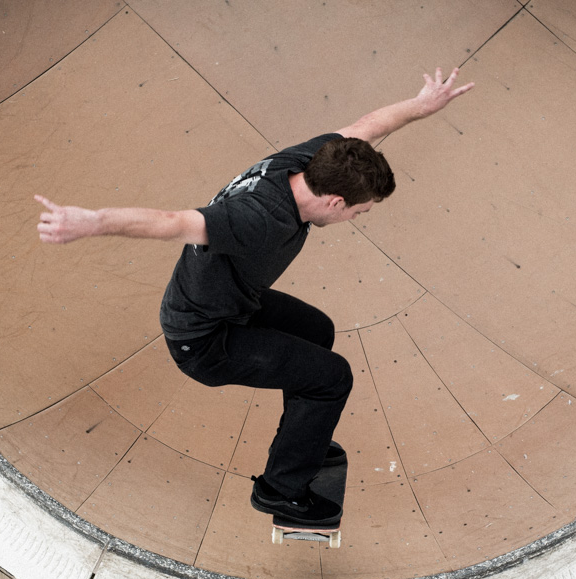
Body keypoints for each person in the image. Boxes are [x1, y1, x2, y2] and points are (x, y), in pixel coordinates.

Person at [36, 68, 474, 528]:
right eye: (360, 213)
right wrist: (93, 222)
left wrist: (419, 107)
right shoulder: (260, 219)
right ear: (335, 203)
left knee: (317, 332)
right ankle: (281, 492)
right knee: (332, 378)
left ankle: (302, 440)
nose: (358, 220)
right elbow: (171, 221)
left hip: (231, 303)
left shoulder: (311, 163)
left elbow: (365, 127)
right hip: (205, 339)